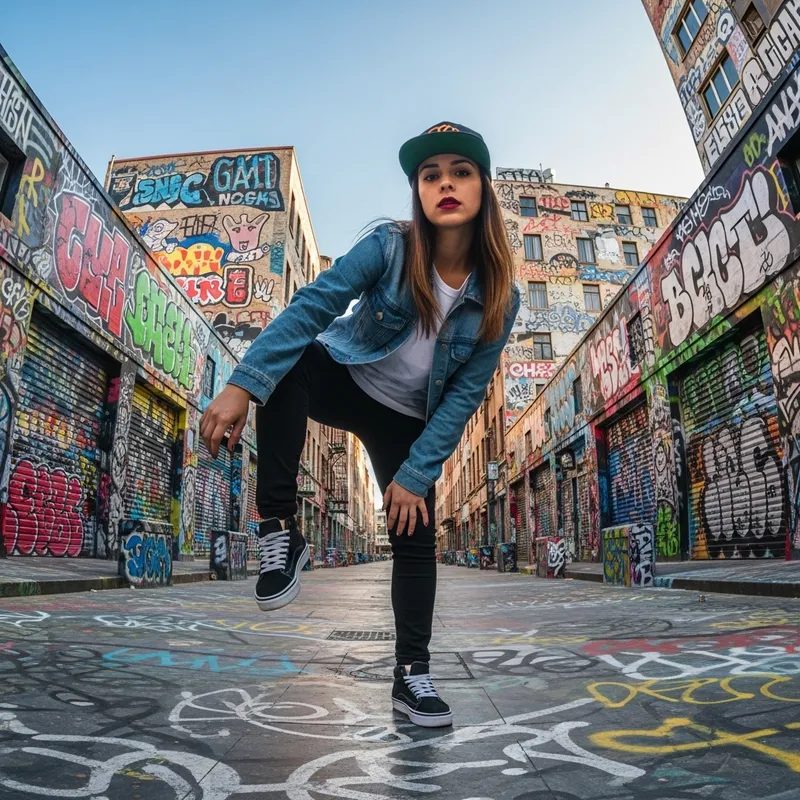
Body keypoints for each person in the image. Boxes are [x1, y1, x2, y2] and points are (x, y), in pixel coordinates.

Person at [200, 121, 520, 728]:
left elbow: (464, 395)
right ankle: (280, 529)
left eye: (460, 172)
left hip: (408, 420)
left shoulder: (502, 297)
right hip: (350, 378)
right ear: (418, 192)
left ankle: (411, 676)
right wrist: (242, 383)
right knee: (290, 357)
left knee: (415, 532)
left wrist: (417, 473)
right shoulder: (390, 247)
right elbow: (312, 306)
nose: (445, 184)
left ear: (482, 189)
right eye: (430, 175)